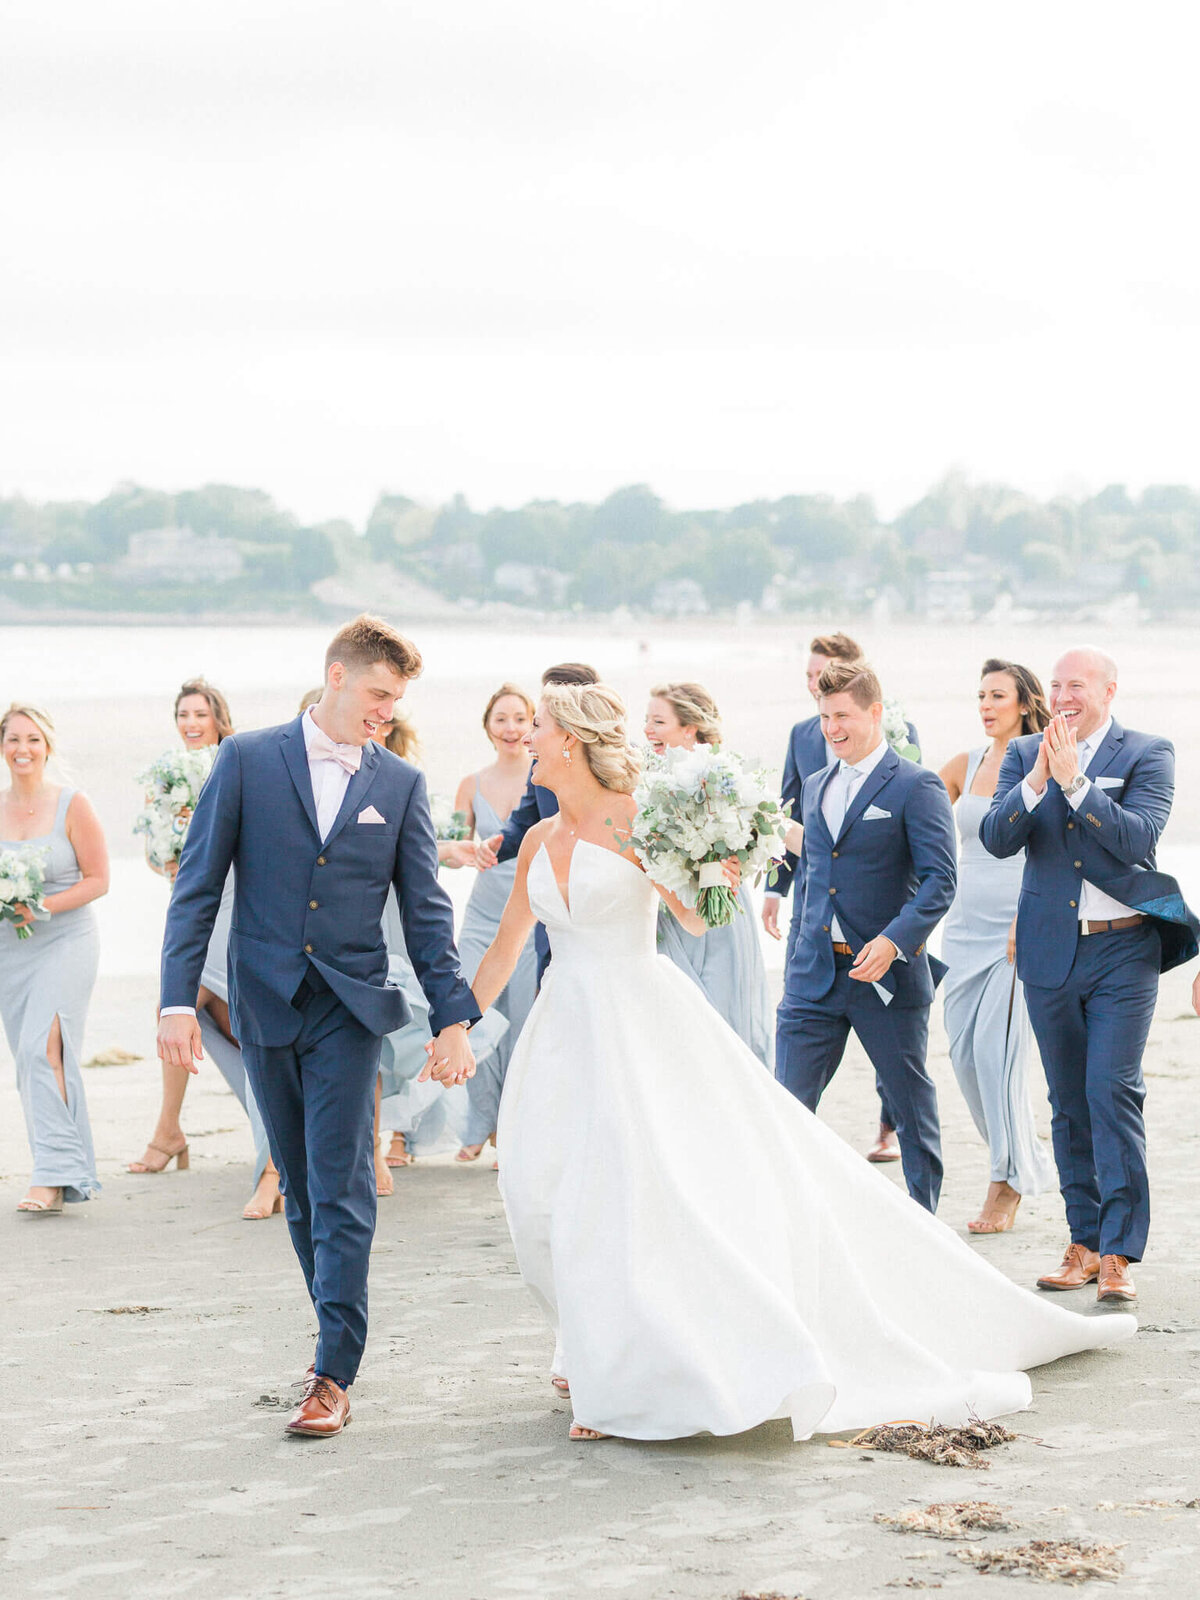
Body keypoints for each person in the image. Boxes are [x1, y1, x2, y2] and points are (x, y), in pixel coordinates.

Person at [466, 681, 1133, 1444]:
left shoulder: (635, 824)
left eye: (538, 728)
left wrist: (715, 870)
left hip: (635, 1021)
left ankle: (620, 1367)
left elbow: (689, 915)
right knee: (542, 1192)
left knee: (633, 1188)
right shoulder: (535, 841)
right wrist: (457, 1029)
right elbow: (505, 946)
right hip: (562, 1032)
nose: (525, 741)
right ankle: (585, 1345)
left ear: (571, 741)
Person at [158, 615, 480, 1439]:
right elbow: (197, 888)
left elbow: (428, 912)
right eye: (378, 693)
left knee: (339, 1184)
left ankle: (334, 1370)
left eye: (395, 700)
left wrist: (453, 1020)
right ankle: (331, 1332)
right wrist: (173, 1001)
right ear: (336, 676)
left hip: (350, 1009)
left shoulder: (401, 784)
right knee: (300, 1189)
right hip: (264, 1001)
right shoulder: (247, 760)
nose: (385, 711)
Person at [981, 646, 1199, 1304]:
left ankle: (1119, 1254)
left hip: (1124, 951)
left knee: (1111, 1093)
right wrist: (1041, 781)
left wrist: (1078, 783)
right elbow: (996, 838)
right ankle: (1082, 1241)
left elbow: (1136, 839)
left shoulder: (1148, 752)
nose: (1064, 693)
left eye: (1077, 683)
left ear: (1108, 689)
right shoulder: (1024, 754)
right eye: (1056, 683)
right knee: (1068, 1104)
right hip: (1050, 951)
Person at [774, 659, 956, 1214]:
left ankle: (924, 1221)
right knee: (783, 1108)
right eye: (825, 716)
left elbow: (940, 880)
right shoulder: (814, 784)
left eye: (844, 715)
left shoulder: (915, 785)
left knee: (910, 1109)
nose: (832, 728)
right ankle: (785, 1219)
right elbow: (814, 873)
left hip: (886, 978)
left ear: (875, 713)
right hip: (812, 977)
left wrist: (895, 940)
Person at [127, 679, 282, 1223]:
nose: (192, 722)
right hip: (194, 906)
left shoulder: (237, 762)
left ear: (219, 718)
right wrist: (172, 861)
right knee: (180, 1007)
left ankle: (273, 1153)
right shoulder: (168, 775)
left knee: (237, 1023)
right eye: (183, 714)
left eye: (201, 713)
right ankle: (172, 1128)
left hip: (235, 903)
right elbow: (157, 853)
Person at [764, 631, 920, 1163]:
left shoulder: (904, 751)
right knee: (789, 1097)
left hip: (878, 934)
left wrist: (898, 937)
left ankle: (888, 1128)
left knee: (898, 1072)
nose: (814, 689)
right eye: (808, 679)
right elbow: (790, 815)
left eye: (821, 675)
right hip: (814, 933)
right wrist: (775, 889)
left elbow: (914, 847)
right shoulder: (803, 738)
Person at [939, 660, 1057, 1233]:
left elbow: (1053, 846)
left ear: (1024, 701)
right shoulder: (966, 763)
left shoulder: (1042, 760)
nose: (986, 705)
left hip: (1017, 925)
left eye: (997, 695)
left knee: (998, 1058)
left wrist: (1028, 918)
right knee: (963, 1056)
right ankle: (1019, 1155)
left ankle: (1004, 1182)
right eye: (980, 694)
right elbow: (913, 805)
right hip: (961, 926)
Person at [0, 704, 108, 1213]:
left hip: (67, 942)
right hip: (11, 951)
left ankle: (52, 1175)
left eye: (33, 740)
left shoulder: (72, 804)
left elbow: (98, 880)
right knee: (30, 1057)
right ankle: (66, 1168)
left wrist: (38, 906)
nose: (22, 749)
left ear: (48, 747)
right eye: (13, 739)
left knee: (42, 1048)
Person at [643, 682, 773, 1063]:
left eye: (658, 721)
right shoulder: (645, 783)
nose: (648, 730)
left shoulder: (724, 776)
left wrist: (737, 858)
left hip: (720, 915)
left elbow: (751, 835)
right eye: (646, 721)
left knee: (721, 1017)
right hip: (669, 914)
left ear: (689, 728)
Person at [449, 685, 540, 1163]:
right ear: (487, 725)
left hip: (528, 913)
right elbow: (447, 848)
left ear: (533, 725)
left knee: (524, 1021)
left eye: (521, 720)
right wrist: (462, 854)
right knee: (470, 1016)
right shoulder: (471, 784)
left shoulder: (545, 777)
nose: (511, 729)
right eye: (501, 719)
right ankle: (480, 1120)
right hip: (483, 914)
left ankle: (512, 1131)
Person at [475, 663, 599, 983]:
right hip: (551, 923)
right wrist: (496, 845)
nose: (528, 736)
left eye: (539, 721)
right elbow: (525, 819)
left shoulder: (624, 772)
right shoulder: (539, 767)